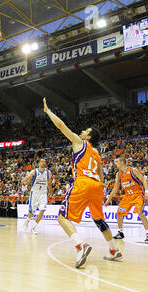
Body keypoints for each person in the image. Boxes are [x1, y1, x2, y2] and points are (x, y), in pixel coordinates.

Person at [43, 97, 122, 268]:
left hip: (83, 183)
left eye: (85, 131)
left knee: (62, 217)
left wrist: (48, 112)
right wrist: (98, 186)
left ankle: (80, 246)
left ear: (89, 136)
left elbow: (61, 126)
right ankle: (114, 250)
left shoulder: (81, 143)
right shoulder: (97, 154)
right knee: (99, 219)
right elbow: (101, 173)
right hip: (97, 186)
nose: (82, 132)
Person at [104, 157, 148, 243]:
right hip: (127, 197)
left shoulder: (133, 170)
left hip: (138, 195)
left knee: (140, 212)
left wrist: (146, 192)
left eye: (117, 162)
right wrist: (109, 198)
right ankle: (120, 232)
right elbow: (116, 187)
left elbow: (143, 180)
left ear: (122, 162)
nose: (115, 164)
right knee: (120, 213)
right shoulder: (118, 174)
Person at [21, 158, 52, 235]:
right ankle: (27, 220)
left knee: (42, 211)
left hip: (43, 193)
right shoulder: (34, 172)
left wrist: (50, 192)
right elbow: (24, 181)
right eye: (42, 161)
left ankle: (33, 228)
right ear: (39, 163)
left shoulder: (48, 172)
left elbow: (49, 183)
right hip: (34, 193)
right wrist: (26, 182)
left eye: (44, 161)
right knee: (31, 212)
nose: (43, 162)